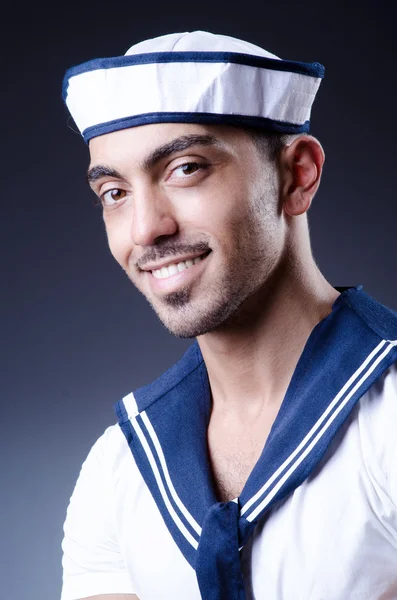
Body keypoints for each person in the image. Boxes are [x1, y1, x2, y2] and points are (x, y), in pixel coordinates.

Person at [60, 30, 397, 600]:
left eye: (185, 168)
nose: (145, 229)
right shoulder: (119, 467)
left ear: (297, 175)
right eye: (115, 192)